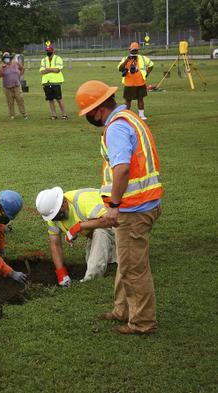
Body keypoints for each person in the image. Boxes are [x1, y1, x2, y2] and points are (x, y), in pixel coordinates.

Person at [76, 80, 163, 335]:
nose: (89, 118)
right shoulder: (129, 117)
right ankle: (122, 310)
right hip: (144, 203)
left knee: (134, 268)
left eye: (88, 113)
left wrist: (114, 205)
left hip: (133, 209)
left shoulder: (115, 128)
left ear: (98, 109)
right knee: (127, 262)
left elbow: (122, 168)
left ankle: (142, 322)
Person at [35, 186, 116, 286]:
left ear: (63, 203)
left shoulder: (83, 200)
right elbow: (55, 244)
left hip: (122, 229)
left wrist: (79, 227)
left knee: (100, 233)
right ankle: (114, 255)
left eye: (57, 215)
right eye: (53, 217)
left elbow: (110, 221)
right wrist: (61, 273)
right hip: (103, 232)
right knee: (91, 259)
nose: (56, 219)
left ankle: (91, 280)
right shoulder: (53, 218)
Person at [117, 42, 154, 120]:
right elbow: (120, 68)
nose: (134, 52)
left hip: (140, 82)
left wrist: (146, 74)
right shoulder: (125, 58)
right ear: (129, 50)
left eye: (136, 50)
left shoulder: (143, 58)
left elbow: (151, 65)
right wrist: (126, 61)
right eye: (133, 50)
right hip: (129, 83)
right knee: (128, 100)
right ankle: (126, 115)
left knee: (140, 99)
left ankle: (141, 115)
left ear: (138, 50)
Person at [39, 45, 68, 120]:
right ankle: (53, 115)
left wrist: (47, 69)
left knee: (59, 99)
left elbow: (57, 70)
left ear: (53, 51)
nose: (48, 52)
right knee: (50, 99)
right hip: (46, 82)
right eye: (47, 51)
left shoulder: (58, 59)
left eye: (49, 51)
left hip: (56, 82)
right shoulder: (43, 60)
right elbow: (42, 71)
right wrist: (51, 69)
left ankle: (64, 114)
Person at [0, 52, 28, 120]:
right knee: (10, 101)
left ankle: (24, 113)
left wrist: (20, 76)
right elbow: (0, 75)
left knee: (20, 99)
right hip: (7, 86)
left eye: (8, 57)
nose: (7, 59)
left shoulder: (15, 63)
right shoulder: (3, 66)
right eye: (5, 57)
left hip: (16, 85)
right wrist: (2, 68)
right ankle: (12, 115)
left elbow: (22, 68)